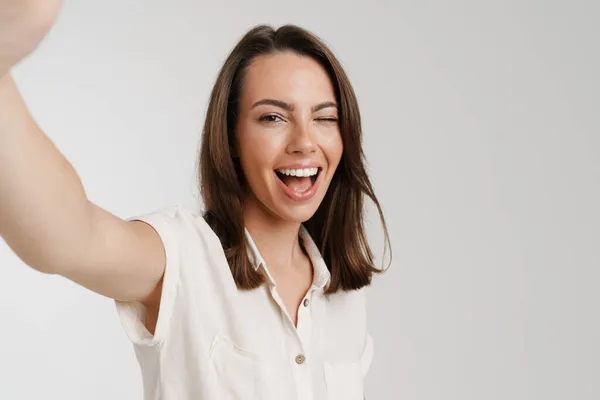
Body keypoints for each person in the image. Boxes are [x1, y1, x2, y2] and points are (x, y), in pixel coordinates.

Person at [0, 1, 391, 399]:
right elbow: (69, 240)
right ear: (232, 137)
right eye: (273, 117)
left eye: (325, 119)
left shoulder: (346, 297)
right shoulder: (184, 256)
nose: (305, 143)